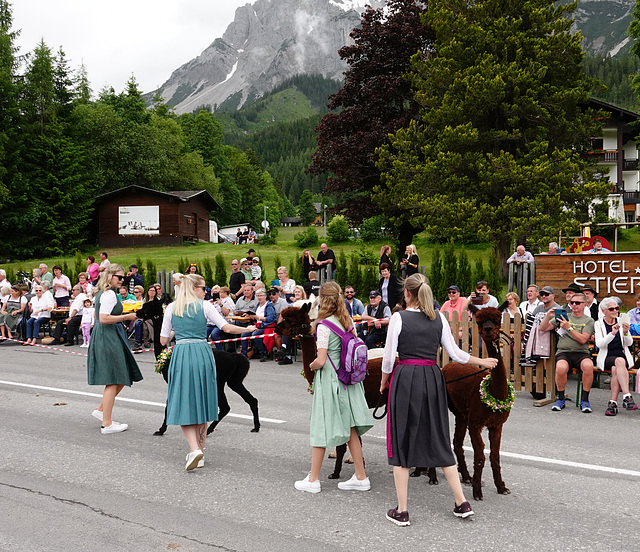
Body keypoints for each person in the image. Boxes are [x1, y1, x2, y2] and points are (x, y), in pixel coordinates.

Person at [380, 274, 497, 524]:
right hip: (432, 378)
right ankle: (461, 503)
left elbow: (389, 359)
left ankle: (402, 511)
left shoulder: (398, 318)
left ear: (407, 294)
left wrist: (383, 382)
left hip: (406, 377)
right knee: (439, 437)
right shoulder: (439, 318)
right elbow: (455, 353)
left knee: (402, 440)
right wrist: (482, 361)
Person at [160, 274, 255, 469]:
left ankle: (194, 449)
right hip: (202, 353)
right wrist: (247, 329)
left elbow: (163, 340)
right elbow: (226, 328)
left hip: (182, 354)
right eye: (204, 288)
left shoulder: (171, 308)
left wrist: (178, 330)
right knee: (202, 400)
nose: (206, 291)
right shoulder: (205, 306)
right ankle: (199, 453)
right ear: (194, 288)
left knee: (184, 401)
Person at [294, 281, 373, 493]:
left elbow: (320, 360)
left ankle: (313, 480)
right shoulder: (347, 322)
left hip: (330, 380)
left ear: (323, 300)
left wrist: (310, 366)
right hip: (348, 380)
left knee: (320, 425)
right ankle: (361, 476)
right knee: (350, 428)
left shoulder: (323, 325)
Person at [87, 264, 143, 434]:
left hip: (107, 335)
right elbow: (103, 318)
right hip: (108, 336)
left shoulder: (105, 293)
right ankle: (107, 423)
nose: (122, 280)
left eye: (123, 278)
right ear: (109, 276)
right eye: (119, 277)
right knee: (114, 378)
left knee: (119, 376)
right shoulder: (109, 294)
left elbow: (100, 317)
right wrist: (126, 316)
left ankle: (101, 411)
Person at [540, 292, 595, 413]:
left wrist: (568, 328)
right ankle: (560, 398)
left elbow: (583, 339)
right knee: (560, 367)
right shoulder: (564, 316)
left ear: (585, 304)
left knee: (588, 366)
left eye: (577, 303)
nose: (574, 305)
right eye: (572, 302)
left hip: (581, 352)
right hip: (564, 352)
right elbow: (542, 328)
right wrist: (548, 316)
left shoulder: (589, 320)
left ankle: (585, 400)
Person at [595, 297, 638, 415]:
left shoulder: (621, 321)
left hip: (622, 355)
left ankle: (612, 404)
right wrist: (612, 333)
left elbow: (629, 343)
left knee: (616, 369)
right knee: (619, 362)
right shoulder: (598, 324)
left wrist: (625, 332)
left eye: (617, 308)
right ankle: (627, 396)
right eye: (611, 309)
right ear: (604, 311)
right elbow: (600, 344)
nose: (615, 311)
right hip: (606, 356)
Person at [241, 288, 277, 360]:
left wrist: (258, 317)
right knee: (244, 334)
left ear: (265, 296)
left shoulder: (269, 306)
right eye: (257, 296)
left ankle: (263, 352)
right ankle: (244, 354)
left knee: (255, 335)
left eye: (261, 296)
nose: (259, 297)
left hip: (267, 326)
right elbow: (256, 317)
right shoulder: (258, 305)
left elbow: (270, 319)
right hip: (258, 325)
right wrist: (250, 316)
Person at [135, 285, 166, 358]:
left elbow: (163, 310)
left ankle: (147, 340)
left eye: (153, 291)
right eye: (150, 290)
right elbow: (141, 311)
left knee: (146, 324)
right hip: (145, 318)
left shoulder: (158, 301)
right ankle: (139, 342)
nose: (152, 292)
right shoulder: (145, 300)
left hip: (155, 320)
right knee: (138, 323)